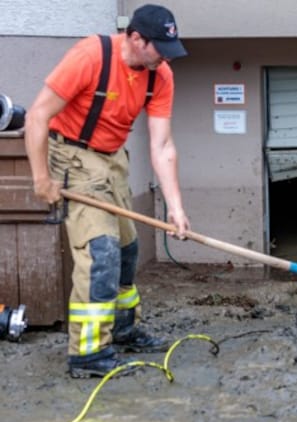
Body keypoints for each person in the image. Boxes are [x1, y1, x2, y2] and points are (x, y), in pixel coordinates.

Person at [25, 4, 190, 378]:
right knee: (101, 254)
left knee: (128, 249)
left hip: (113, 158)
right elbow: (37, 116)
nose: (165, 57)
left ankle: (122, 328)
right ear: (135, 37)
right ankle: (86, 354)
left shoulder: (159, 75)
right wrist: (41, 179)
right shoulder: (90, 56)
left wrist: (175, 208)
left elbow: (163, 147)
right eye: (159, 48)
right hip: (71, 155)